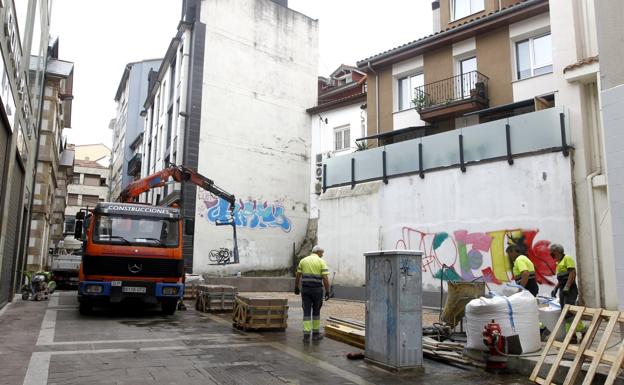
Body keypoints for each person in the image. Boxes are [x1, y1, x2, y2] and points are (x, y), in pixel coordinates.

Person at [294, 245, 330, 342]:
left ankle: (306, 336)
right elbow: (325, 278)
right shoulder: (321, 262)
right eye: (322, 253)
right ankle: (315, 334)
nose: (322, 255)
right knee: (316, 311)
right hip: (317, 290)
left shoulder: (303, 261)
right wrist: (327, 291)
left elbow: (298, 275)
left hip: (305, 290)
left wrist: (296, 287)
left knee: (306, 311)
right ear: (318, 252)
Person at [549, 244, 583, 333]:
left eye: (552, 252)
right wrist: (556, 288)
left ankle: (580, 330)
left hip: (570, 290)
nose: (550, 254)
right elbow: (561, 280)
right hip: (563, 289)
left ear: (556, 251)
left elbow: (572, 273)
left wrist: (567, 286)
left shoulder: (567, 258)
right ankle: (572, 334)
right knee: (565, 311)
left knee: (569, 311)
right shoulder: (559, 263)